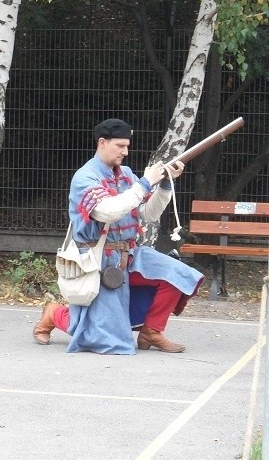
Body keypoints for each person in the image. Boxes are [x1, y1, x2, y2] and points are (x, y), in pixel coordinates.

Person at [33, 118, 204, 354]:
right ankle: (55, 313)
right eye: (120, 146)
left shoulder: (126, 175)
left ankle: (151, 331)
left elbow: (148, 213)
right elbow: (107, 211)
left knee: (180, 275)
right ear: (102, 143)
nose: (125, 151)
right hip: (97, 261)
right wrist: (145, 183)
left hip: (130, 255)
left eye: (127, 146)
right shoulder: (85, 177)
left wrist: (164, 185)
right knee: (105, 340)